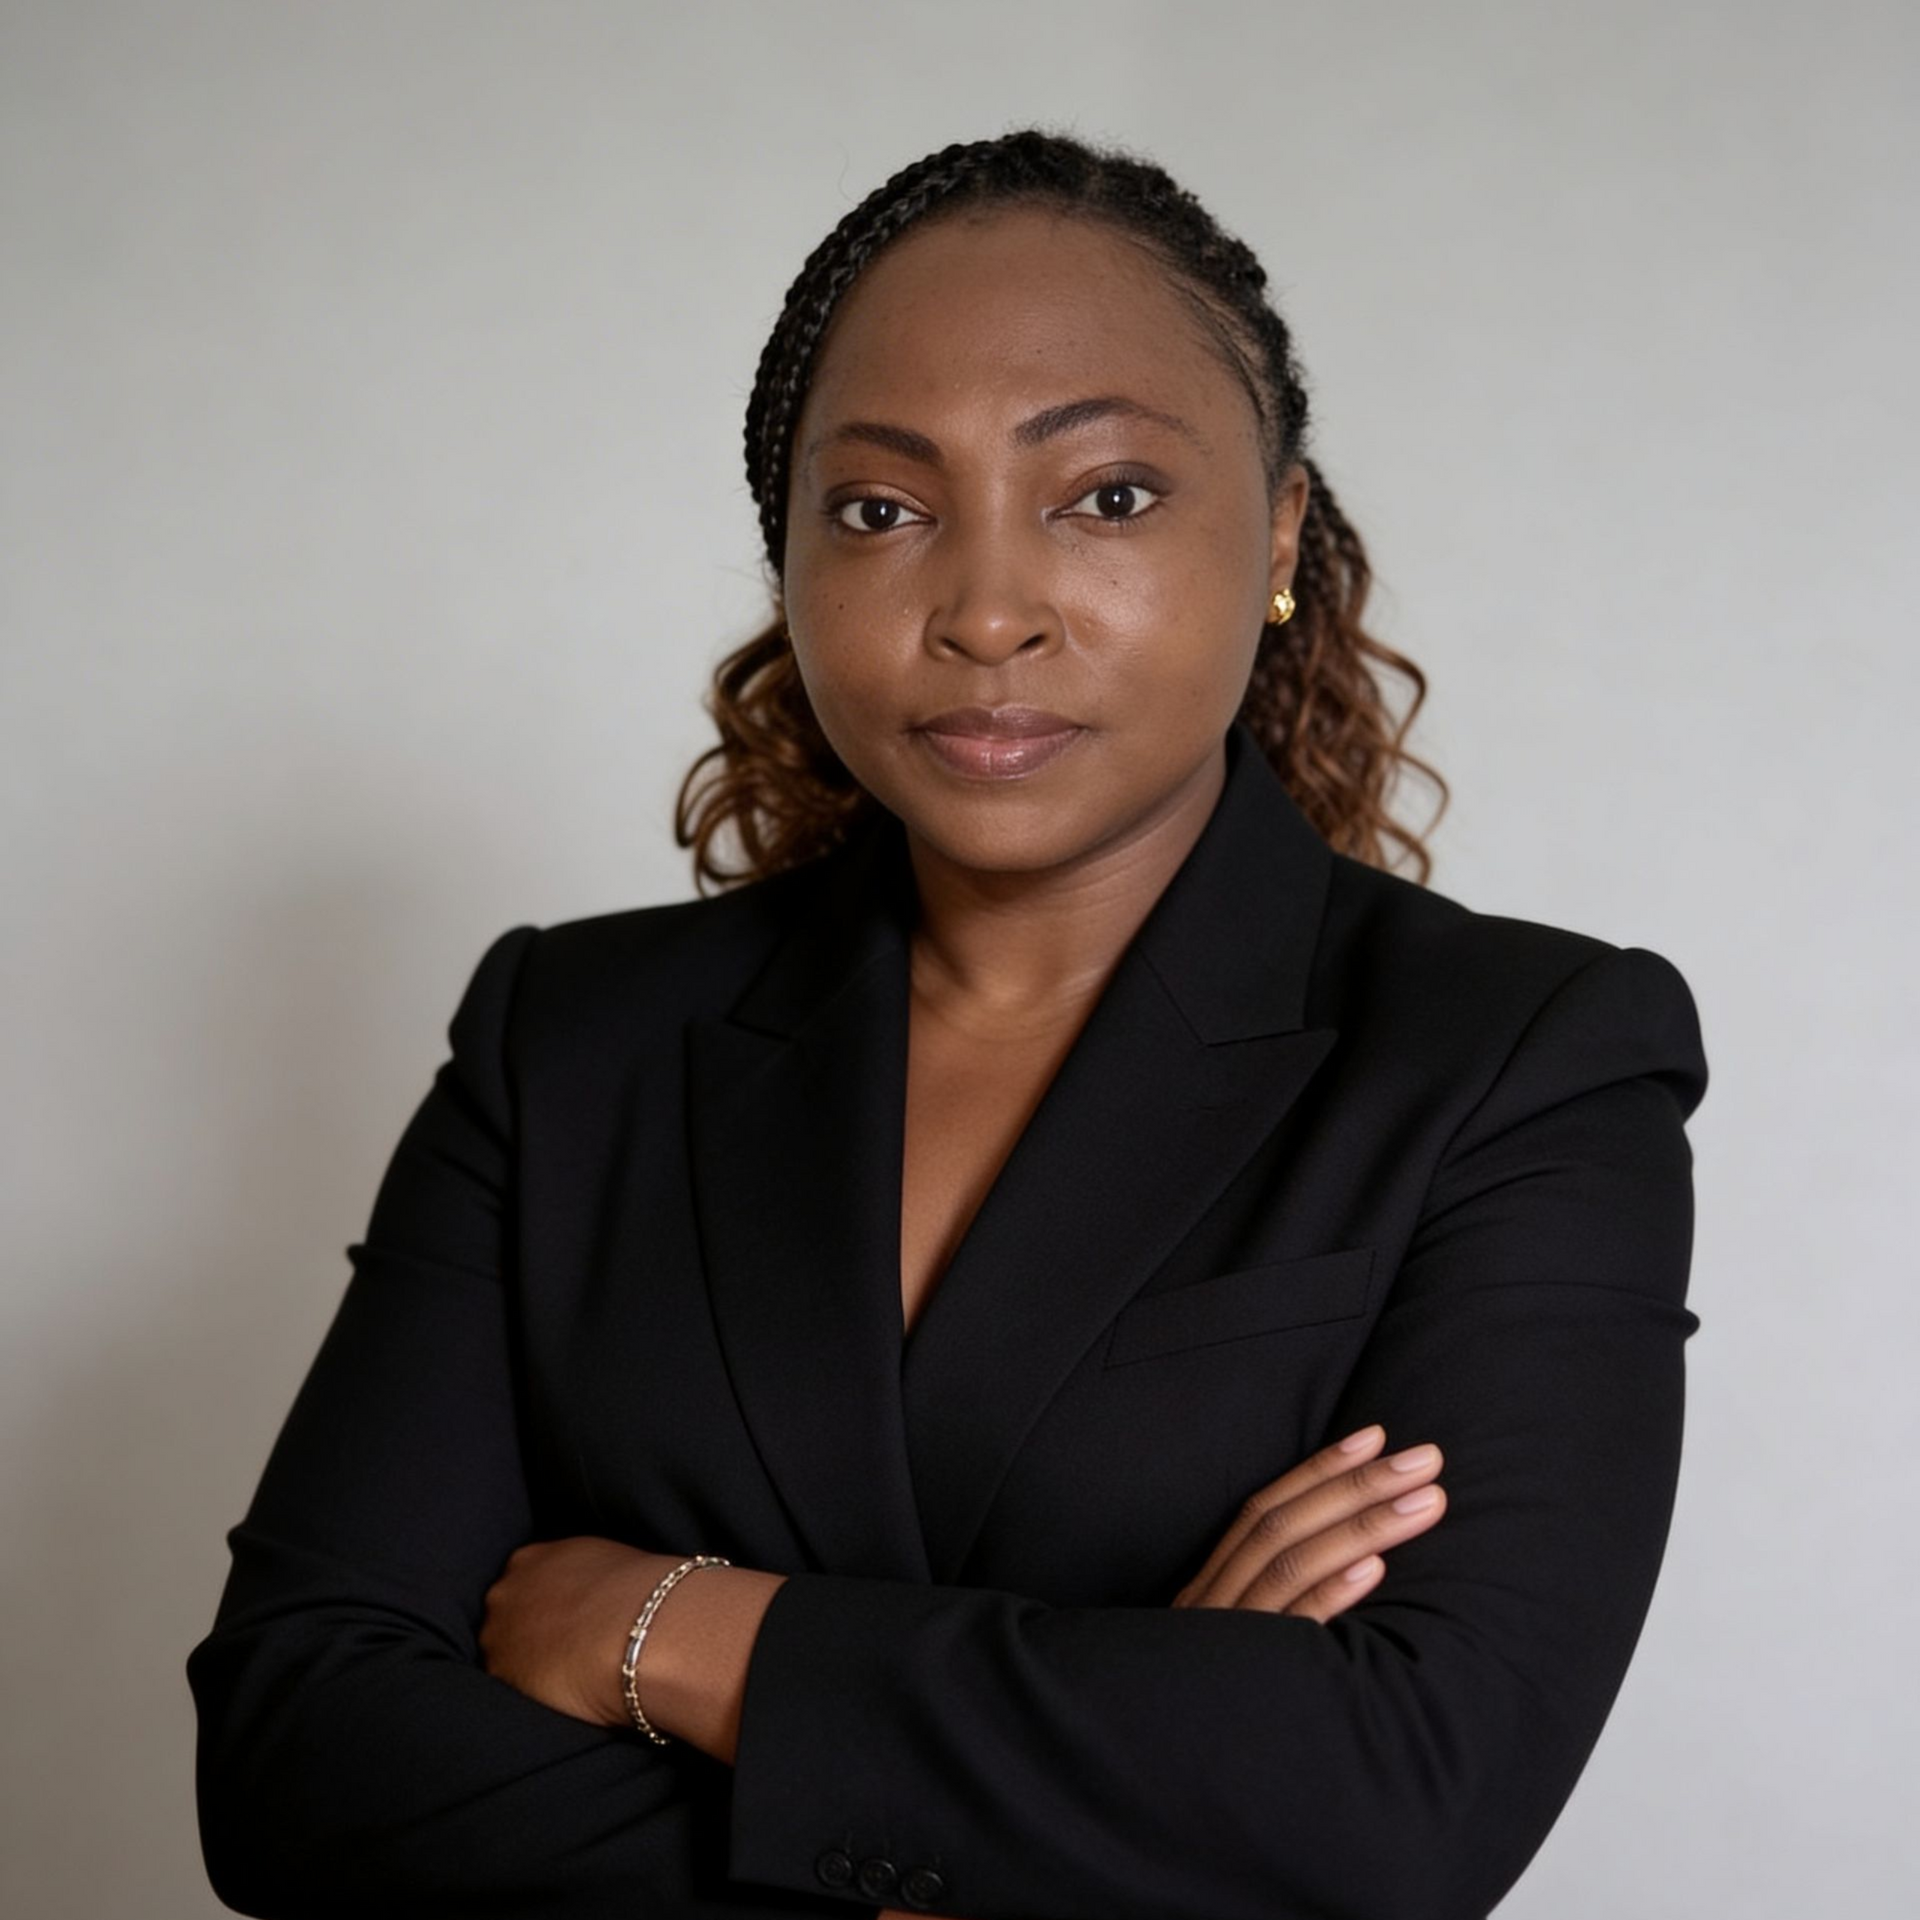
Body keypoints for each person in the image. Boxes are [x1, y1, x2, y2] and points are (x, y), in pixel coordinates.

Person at [187, 129, 1708, 1920]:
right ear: (791, 561)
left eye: (1110, 496)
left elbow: (1400, 1800)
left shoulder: (1524, 1056)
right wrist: (1087, 1798)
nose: (985, 610)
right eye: (883, 510)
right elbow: (297, 1763)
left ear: (1281, 530)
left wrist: (678, 1631)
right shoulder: (572, 1042)